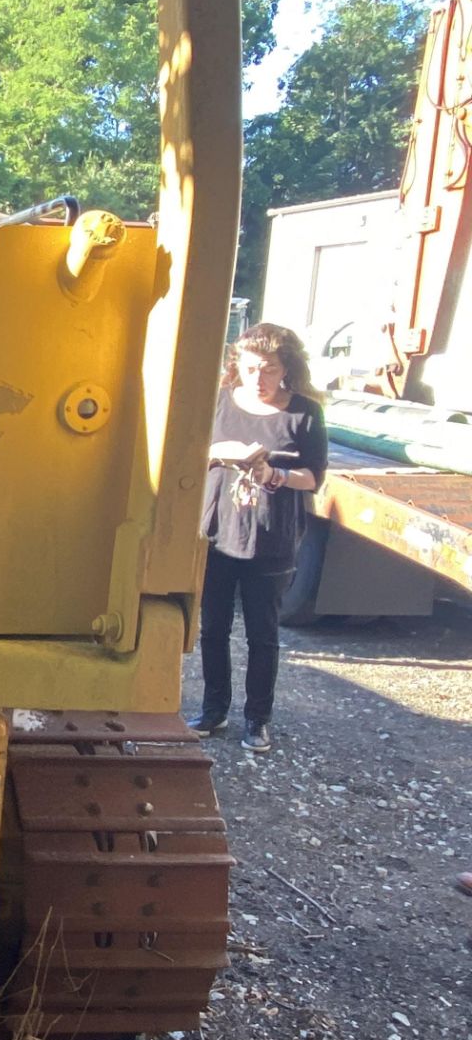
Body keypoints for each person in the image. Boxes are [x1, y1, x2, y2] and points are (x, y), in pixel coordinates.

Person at [193, 322, 327, 752]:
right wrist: (215, 454)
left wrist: (274, 474)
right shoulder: (220, 402)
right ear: (237, 365)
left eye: (268, 369)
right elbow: (189, 451)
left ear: (285, 367)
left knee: (262, 634)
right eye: (250, 369)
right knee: (212, 627)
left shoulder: (304, 412)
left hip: (271, 538)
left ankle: (257, 719)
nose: (258, 379)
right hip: (218, 532)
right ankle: (214, 711)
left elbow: (313, 477)